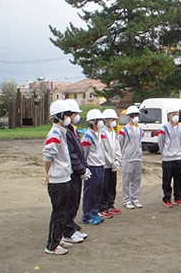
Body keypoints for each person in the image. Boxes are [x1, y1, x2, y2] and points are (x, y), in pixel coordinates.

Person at [42, 100, 74, 255]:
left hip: (64, 178)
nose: (70, 118)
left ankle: (58, 238)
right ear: (60, 116)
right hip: (58, 180)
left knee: (64, 211)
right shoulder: (55, 134)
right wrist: (48, 175)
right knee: (59, 213)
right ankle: (52, 245)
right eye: (67, 115)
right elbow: (48, 157)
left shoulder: (62, 132)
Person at [62, 99, 90, 244]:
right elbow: (71, 154)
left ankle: (71, 226)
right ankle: (67, 231)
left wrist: (84, 167)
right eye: (74, 114)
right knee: (70, 201)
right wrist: (80, 169)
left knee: (75, 200)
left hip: (77, 172)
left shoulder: (72, 130)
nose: (76, 117)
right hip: (71, 173)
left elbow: (79, 152)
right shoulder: (66, 132)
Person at [81, 109, 107, 224]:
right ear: (92, 122)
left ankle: (95, 211)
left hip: (100, 166)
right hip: (92, 167)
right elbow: (84, 154)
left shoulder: (99, 134)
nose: (101, 122)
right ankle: (87, 215)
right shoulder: (87, 137)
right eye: (99, 120)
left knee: (98, 192)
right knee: (90, 192)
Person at [158, 105, 181, 208]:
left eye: (177, 114)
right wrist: (164, 153)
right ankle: (167, 198)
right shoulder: (164, 128)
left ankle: (178, 198)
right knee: (167, 180)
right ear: (169, 115)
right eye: (173, 114)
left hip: (178, 158)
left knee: (179, 179)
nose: (175, 116)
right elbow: (160, 142)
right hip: (168, 159)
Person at [118, 105, 143, 209]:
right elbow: (120, 144)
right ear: (129, 117)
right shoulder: (124, 130)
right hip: (128, 158)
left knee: (137, 179)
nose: (136, 117)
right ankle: (127, 200)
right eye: (134, 115)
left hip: (138, 158)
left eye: (137, 115)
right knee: (126, 180)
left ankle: (134, 198)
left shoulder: (140, 129)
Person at [99, 109, 122, 216]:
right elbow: (104, 150)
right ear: (106, 120)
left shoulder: (113, 132)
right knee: (104, 187)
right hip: (105, 165)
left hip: (113, 165)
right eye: (112, 119)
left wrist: (117, 160)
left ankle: (110, 205)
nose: (114, 122)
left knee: (112, 185)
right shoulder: (102, 133)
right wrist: (111, 162)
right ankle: (103, 208)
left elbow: (117, 147)